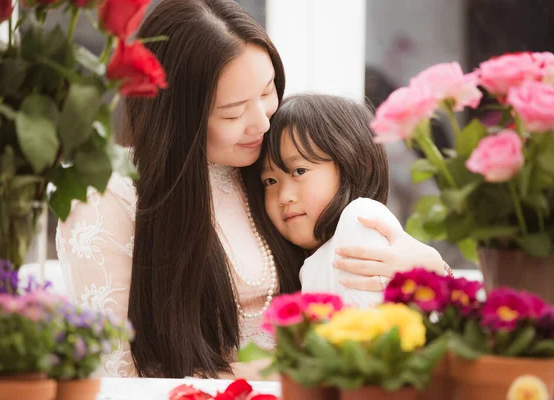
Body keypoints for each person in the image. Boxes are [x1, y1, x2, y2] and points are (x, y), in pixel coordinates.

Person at [56, 0, 447, 380]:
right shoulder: (106, 197)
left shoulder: (266, 160)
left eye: (267, 91)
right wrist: (273, 373)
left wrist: (427, 266)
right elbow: (116, 372)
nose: (262, 122)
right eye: (233, 111)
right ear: (177, 119)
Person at [253, 94, 406, 309]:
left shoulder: (361, 220)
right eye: (270, 181)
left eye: (299, 171)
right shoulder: (304, 260)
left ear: (357, 164)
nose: (284, 197)